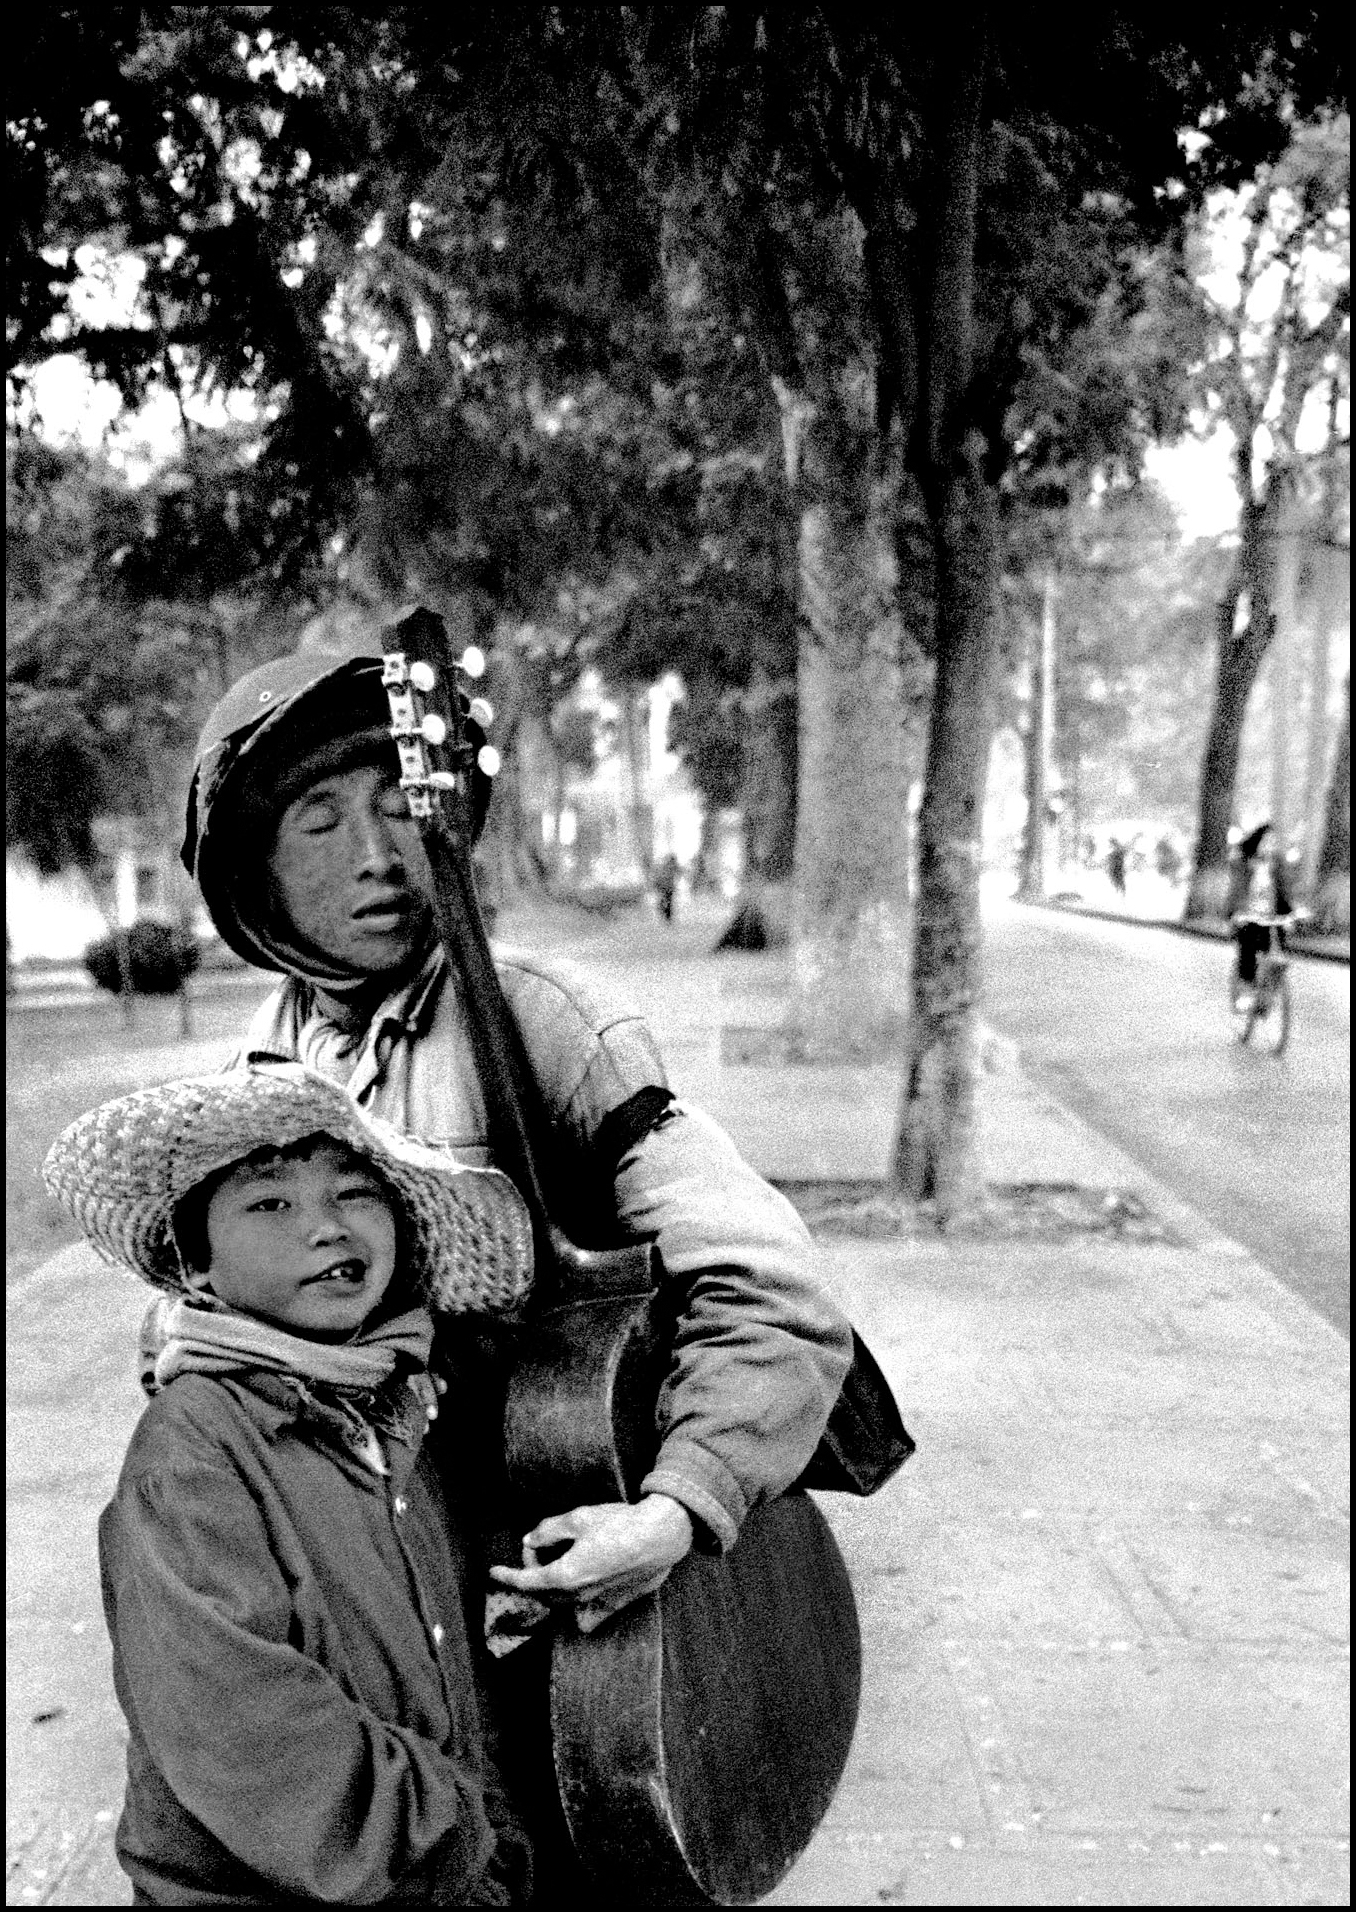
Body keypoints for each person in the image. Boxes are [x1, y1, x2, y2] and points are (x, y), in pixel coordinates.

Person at [173, 617, 857, 1880]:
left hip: (566, 1569)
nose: (380, 855)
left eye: (401, 807)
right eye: (321, 822)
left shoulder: (545, 1022)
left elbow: (772, 1288)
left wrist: (676, 1509)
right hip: (391, 1595)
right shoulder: (256, 1075)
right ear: (254, 880)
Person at [42, 1060, 539, 1906]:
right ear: (195, 1268)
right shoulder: (193, 1451)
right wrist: (456, 1836)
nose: (327, 1227)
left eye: (355, 1192)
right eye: (270, 1203)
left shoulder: (399, 1406)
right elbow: (247, 1731)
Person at [1228, 821, 1294, 1008]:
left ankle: (1268, 991)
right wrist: (1237, 913)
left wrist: (1290, 915)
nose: (1270, 847)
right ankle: (1246, 990)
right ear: (1257, 842)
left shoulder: (1276, 866)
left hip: (1270, 918)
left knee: (1278, 954)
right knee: (1248, 946)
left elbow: (1284, 892)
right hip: (1249, 916)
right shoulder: (1244, 863)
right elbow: (1237, 891)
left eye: (1273, 843)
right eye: (1266, 842)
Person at [653, 850, 680, 924]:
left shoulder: (670, 866)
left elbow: (678, 873)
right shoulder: (667, 866)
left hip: (667, 887)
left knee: (667, 901)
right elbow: (659, 876)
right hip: (665, 886)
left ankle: (667, 915)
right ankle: (666, 913)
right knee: (667, 900)